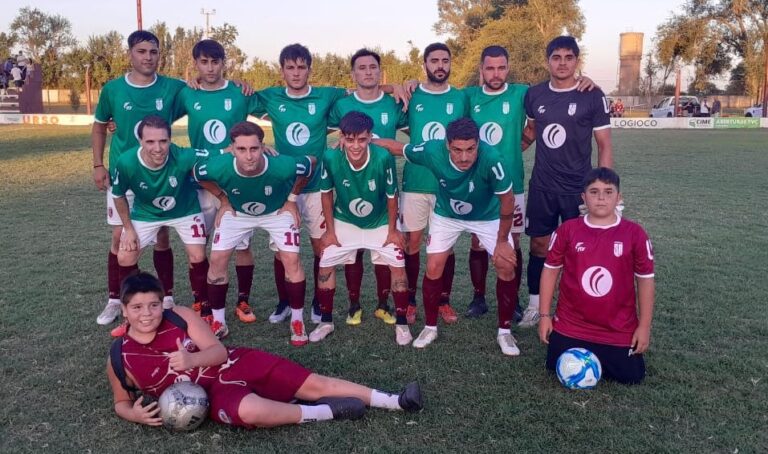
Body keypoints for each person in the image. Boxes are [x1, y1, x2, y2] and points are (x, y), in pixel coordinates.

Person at [107, 272, 423, 429]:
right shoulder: (120, 355)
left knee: (313, 383)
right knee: (251, 412)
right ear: (124, 309)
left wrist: (192, 359)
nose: (147, 314)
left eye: (153, 305)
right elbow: (121, 402)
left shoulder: (180, 316)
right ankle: (328, 411)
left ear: (162, 303)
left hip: (233, 364)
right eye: (137, 307)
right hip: (211, 395)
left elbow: (218, 352)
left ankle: (395, 401)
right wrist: (134, 415)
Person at [376, 118, 521, 355]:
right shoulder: (433, 151)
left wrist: (503, 241)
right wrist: (363, 141)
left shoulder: (492, 159)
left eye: (470, 149)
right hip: (447, 214)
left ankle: (505, 332)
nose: (464, 157)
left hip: (487, 216)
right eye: (457, 150)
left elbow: (507, 200)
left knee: (506, 265)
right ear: (447, 145)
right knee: (434, 266)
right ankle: (430, 327)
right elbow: (397, 148)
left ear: (478, 144)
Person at [92, 30, 187, 334]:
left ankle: (166, 296)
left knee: (162, 234)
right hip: (124, 173)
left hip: (159, 173)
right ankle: (116, 299)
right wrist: (98, 164)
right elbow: (99, 126)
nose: (148, 57)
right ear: (130, 54)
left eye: (153, 51)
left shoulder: (173, 87)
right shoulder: (113, 89)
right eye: (142, 51)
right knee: (119, 237)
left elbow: (202, 94)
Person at [520, 36, 613, 330]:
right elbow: (530, 133)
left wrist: (604, 190)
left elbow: (604, 145)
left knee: (579, 249)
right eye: (556, 57)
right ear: (547, 61)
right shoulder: (534, 95)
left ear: (577, 61)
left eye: (568, 57)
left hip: (577, 189)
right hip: (543, 186)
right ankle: (534, 306)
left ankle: (573, 308)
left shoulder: (592, 95)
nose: (562, 63)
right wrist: (504, 154)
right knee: (539, 245)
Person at [194, 121, 315, 344]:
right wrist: (222, 199)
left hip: (276, 211)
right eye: (241, 149)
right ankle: (219, 322)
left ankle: (297, 321)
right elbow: (197, 174)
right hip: (237, 212)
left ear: (263, 146)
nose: (249, 156)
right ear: (232, 149)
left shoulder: (281, 165)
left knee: (291, 260)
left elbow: (310, 163)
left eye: (254, 148)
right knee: (217, 259)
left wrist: (292, 199)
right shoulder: (219, 166)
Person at [256, 44, 349, 329]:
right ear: (282, 70)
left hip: (317, 186)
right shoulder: (270, 96)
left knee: (321, 245)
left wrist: (396, 86)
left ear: (309, 69)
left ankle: (319, 302)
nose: (296, 73)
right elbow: (235, 99)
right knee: (281, 250)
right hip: (284, 188)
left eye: (301, 67)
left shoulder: (326, 95)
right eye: (290, 68)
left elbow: (362, 93)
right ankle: (285, 301)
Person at [173, 39, 266, 324]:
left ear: (224, 63)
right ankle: (201, 301)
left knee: (242, 245)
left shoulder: (239, 92)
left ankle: (243, 301)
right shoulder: (187, 93)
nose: (210, 68)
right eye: (204, 62)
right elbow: (157, 115)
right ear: (195, 64)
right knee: (197, 245)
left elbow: (276, 105)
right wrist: (114, 123)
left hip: (235, 180)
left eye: (215, 62)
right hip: (200, 182)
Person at [538, 167, 655, 384]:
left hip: (617, 329)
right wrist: (544, 316)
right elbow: (550, 271)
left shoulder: (635, 234)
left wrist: (644, 326)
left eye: (608, 192)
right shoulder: (567, 230)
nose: (601, 198)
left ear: (618, 197)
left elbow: (645, 281)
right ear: (583, 197)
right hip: (571, 325)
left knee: (631, 377)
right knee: (553, 367)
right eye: (594, 192)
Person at [311, 111, 411, 345]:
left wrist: (392, 230)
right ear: (341, 137)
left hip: (380, 221)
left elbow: (392, 196)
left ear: (370, 137)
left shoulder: (382, 157)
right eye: (350, 139)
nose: (356, 145)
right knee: (325, 263)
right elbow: (326, 194)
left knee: (398, 266)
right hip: (345, 219)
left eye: (362, 139)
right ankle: (325, 321)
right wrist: (330, 231)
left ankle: (402, 324)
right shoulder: (331, 156)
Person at [327, 48, 408, 326]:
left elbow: (407, 139)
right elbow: (332, 137)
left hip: (383, 185)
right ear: (353, 74)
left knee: (383, 251)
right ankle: (354, 305)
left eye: (373, 67)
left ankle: (383, 305)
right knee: (353, 251)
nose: (368, 72)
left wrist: (397, 86)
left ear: (380, 71)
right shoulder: (342, 105)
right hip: (351, 186)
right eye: (361, 68)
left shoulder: (394, 102)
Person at [111, 115, 211, 334]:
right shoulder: (126, 161)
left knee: (198, 255)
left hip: (185, 210)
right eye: (150, 142)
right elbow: (118, 195)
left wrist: (252, 148)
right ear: (140, 141)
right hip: (146, 213)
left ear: (170, 139)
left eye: (163, 141)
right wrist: (128, 229)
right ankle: (131, 314)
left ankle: (203, 307)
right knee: (125, 256)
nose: (158, 148)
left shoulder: (182, 155)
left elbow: (220, 154)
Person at [400, 43, 468, 326]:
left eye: (445, 60)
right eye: (434, 60)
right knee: (412, 242)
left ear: (450, 63)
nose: (440, 65)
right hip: (415, 182)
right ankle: (410, 300)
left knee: (446, 246)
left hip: (448, 184)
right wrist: (399, 85)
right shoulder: (412, 95)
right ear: (425, 64)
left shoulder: (460, 97)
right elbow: (379, 93)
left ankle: (443, 300)